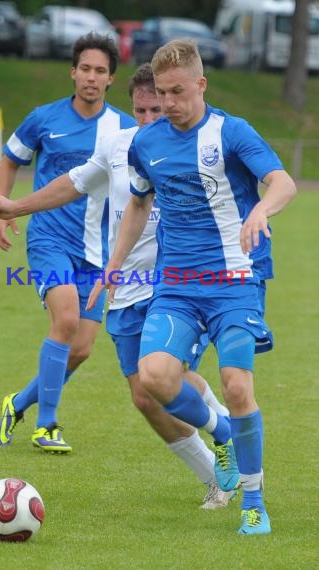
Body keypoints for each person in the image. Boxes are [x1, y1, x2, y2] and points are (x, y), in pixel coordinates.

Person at [0, 63, 236, 509]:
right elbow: (72, 184)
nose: (148, 120)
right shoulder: (118, 147)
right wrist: (15, 206)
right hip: (125, 288)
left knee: (167, 375)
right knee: (144, 396)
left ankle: (232, 443)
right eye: (140, 110)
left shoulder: (201, 147)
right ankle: (217, 477)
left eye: (157, 109)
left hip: (176, 286)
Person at [85, 40, 296, 535]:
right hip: (177, 284)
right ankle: (221, 431)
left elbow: (281, 181)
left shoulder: (231, 132)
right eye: (162, 93)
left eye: (177, 92)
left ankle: (252, 501)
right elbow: (138, 203)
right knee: (154, 377)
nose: (169, 104)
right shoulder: (148, 143)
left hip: (234, 281)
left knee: (237, 385)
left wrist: (262, 210)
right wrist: (115, 266)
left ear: (201, 85)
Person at [0, 32, 136, 453]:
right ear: (73, 72)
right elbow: (10, 159)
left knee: (83, 348)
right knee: (67, 320)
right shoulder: (44, 119)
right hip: (49, 239)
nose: (92, 77)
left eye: (101, 71)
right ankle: (46, 424)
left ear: (111, 79)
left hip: (98, 251)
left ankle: (16, 404)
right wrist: (4, 212)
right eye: (85, 69)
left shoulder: (124, 128)